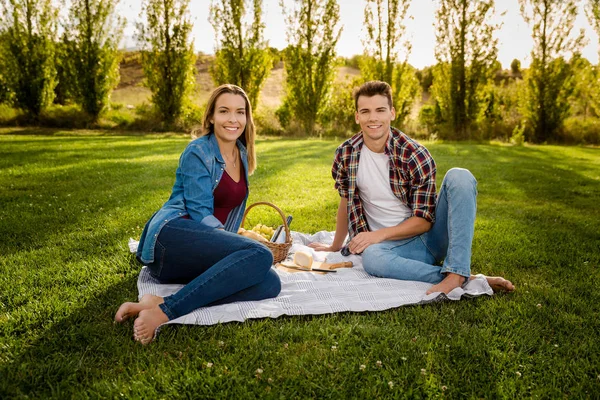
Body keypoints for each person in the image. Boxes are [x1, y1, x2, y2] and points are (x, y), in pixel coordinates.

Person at [309, 81, 514, 295]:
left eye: (380, 110)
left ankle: (456, 272)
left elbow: (424, 221)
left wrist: (377, 235)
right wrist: (334, 246)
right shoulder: (346, 154)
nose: (373, 118)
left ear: (392, 113)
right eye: (365, 111)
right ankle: (463, 277)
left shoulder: (414, 154)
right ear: (357, 116)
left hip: (430, 239)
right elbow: (346, 201)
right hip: (389, 250)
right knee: (371, 258)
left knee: (459, 176)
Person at [115, 84, 281, 344]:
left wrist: (235, 242)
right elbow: (201, 213)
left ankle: (159, 301)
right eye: (224, 111)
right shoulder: (198, 151)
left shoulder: (241, 153)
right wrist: (240, 245)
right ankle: (164, 313)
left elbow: (226, 218)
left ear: (248, 118)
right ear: (212, 116)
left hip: (198, 249)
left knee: (270, 283)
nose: (233, 119)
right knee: (260, 254)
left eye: (240, 112)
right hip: (171, 238)